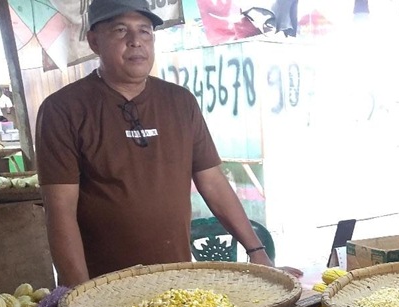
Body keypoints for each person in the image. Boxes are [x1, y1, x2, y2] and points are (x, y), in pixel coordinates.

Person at [36, 0, 301, 287]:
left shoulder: (180, 102)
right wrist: (80, 294)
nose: (136, 41)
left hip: (177, 283)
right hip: (104, 288)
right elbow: (59, 212)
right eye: (120, 30)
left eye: (145, 31)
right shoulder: (62, 110)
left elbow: (212, 181)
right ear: (94, 41)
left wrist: (256, 251)